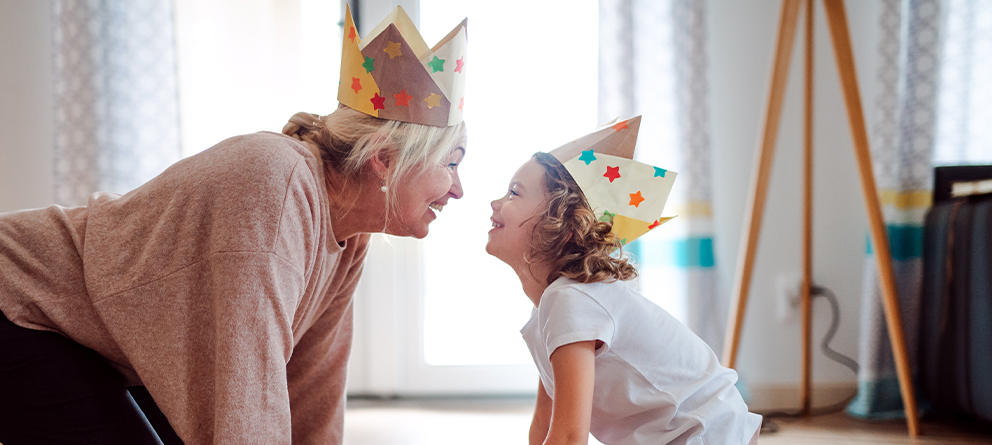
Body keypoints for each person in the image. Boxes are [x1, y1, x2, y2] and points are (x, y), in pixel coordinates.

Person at [0, 5, 467, 444]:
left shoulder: (349, 233)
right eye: (451, 163)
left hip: (96, 339)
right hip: (19, 302)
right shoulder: (275, 186)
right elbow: (244, 388)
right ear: (385, 159)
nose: (458, 189)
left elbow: (310, 384)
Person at [486, 117, 761, 445]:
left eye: (514, 193)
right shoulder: (550, 308)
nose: (495, 202)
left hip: (706, 433)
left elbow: (571, 436)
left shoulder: (570, 301)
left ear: (563, 228)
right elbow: (545, 424)